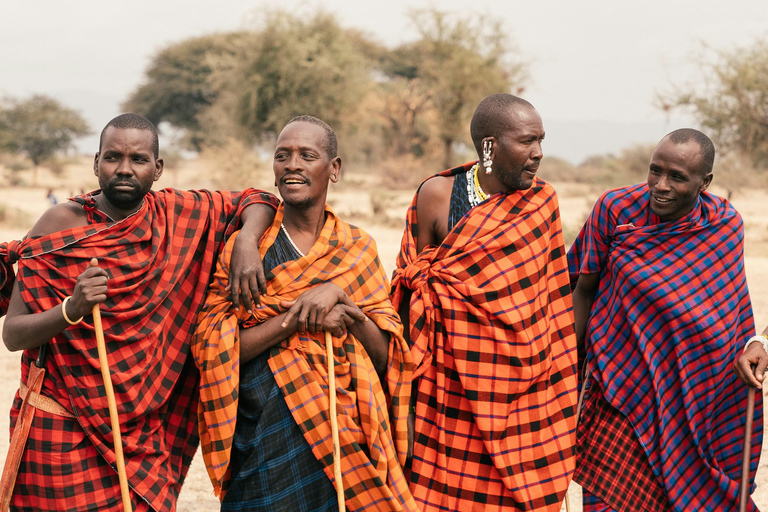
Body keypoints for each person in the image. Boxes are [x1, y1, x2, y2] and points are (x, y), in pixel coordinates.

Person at [0, 113, 279, 512]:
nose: (125, 169)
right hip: (62, 425)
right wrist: (72, 308)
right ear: (96, 164)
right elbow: (13, 334)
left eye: (139, 160)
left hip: (143, 429)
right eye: (113, 158)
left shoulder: (178, 214)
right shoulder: (60, 225)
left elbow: (259, 200)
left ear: (158, 168)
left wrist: (246, 242)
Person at [192, 115, 418, 512]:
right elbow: (213, 347)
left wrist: (348, 307)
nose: (292, 165)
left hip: (345, 433)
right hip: (262, 431)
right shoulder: (246, 252)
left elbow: (388, 358)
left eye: (306, 155)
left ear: (334, 169)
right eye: (282, 156)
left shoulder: (357, 249)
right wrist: (295, 319)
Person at [390, 93, 578, 512]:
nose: (539, 154)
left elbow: (547, 305)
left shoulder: (541, 203)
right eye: (528, 141)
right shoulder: (437, 194)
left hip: (522, 390)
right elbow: (413, 287)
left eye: (541, 141)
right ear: (490, 146)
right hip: (445, 392)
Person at [569, 129, 761, 511]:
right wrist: (571, 367)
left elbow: (730, 305)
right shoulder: (616, 209)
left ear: (705, 182)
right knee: (612, 497)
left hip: (699, 392)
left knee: (695, 492)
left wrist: (758, 343)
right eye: (654, 171)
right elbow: (583, 288)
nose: (660, 185)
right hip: (620, 386)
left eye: (677, 177)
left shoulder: (724, 225)